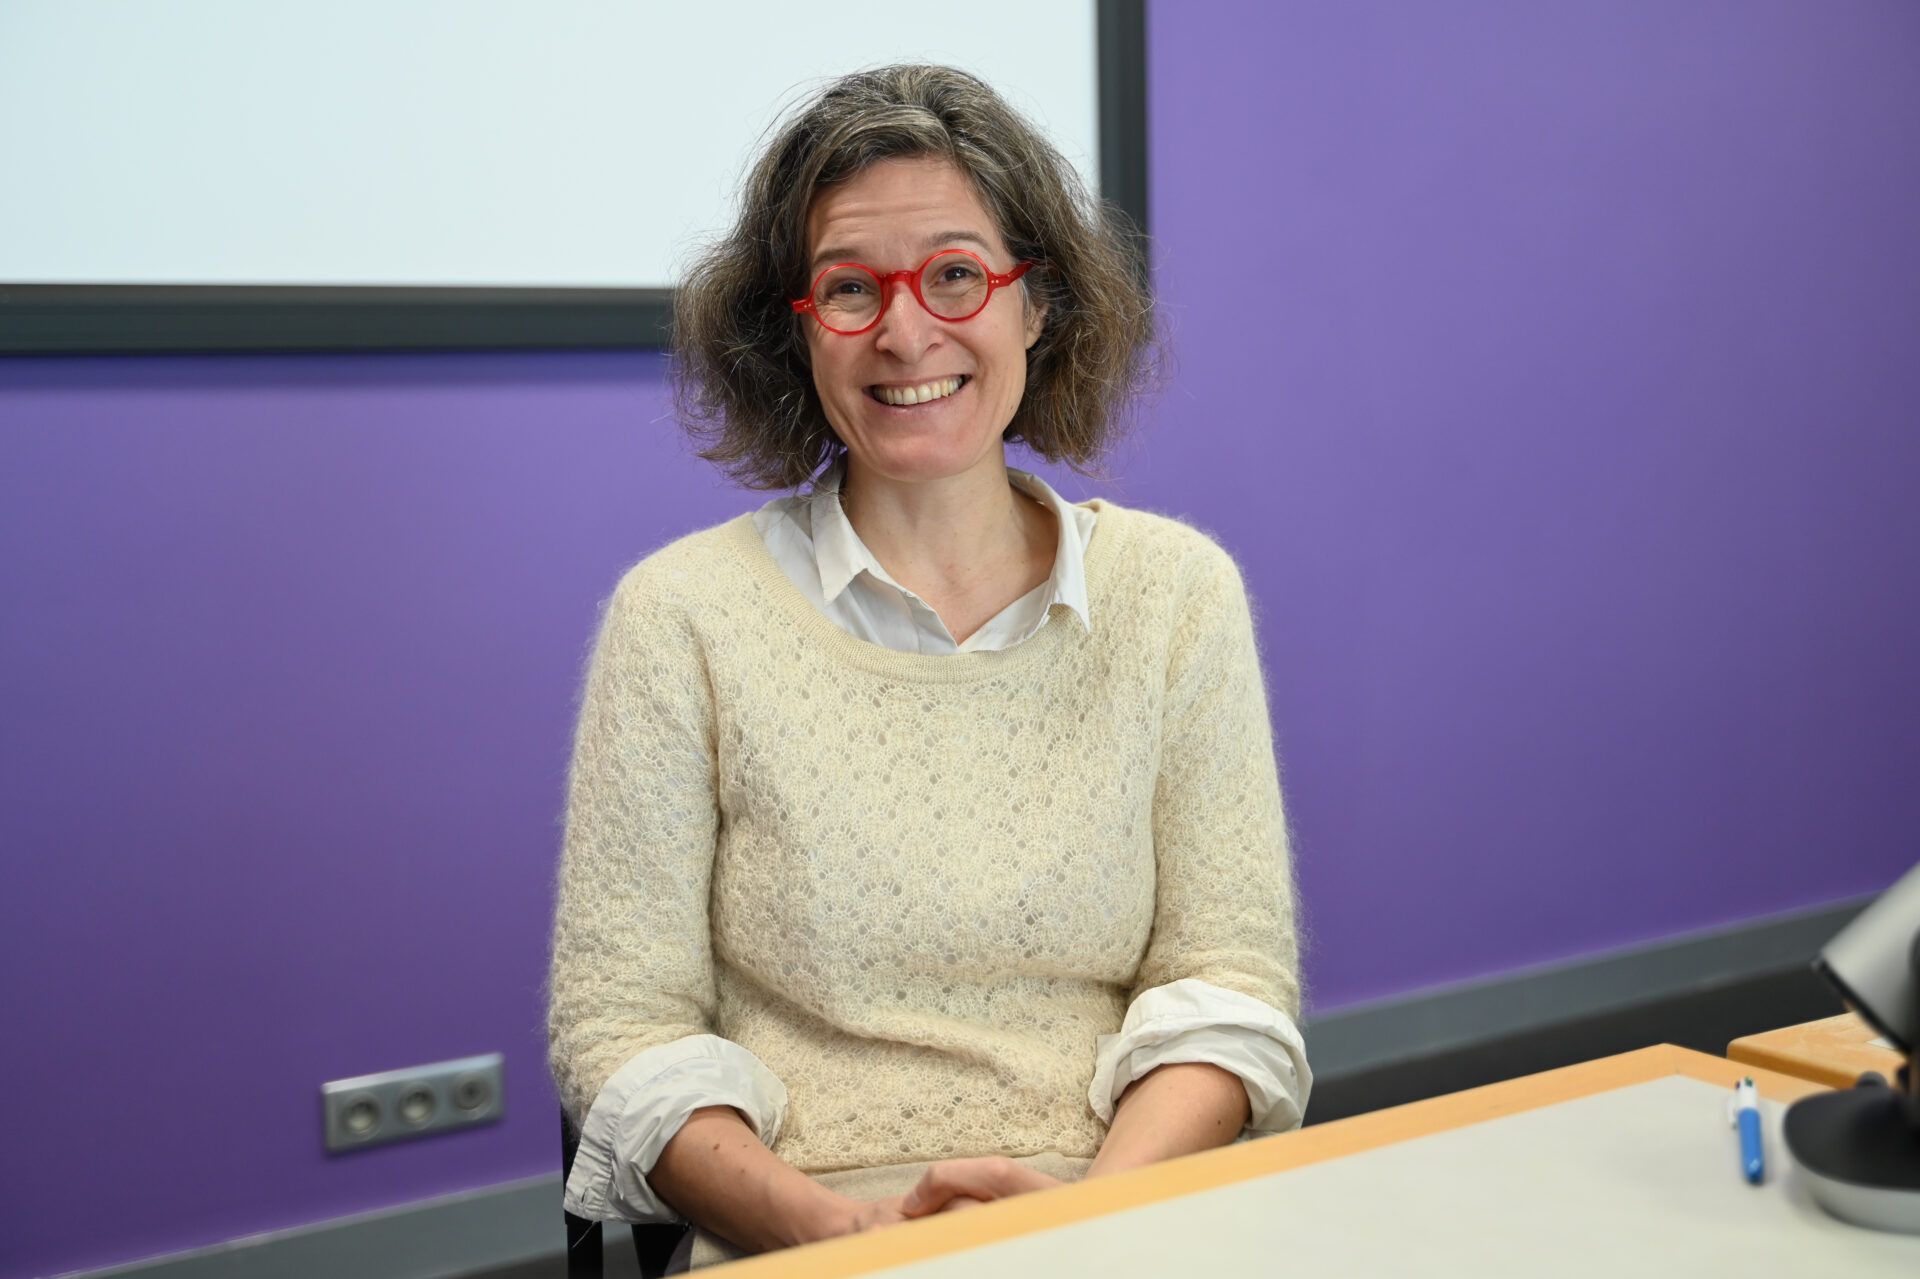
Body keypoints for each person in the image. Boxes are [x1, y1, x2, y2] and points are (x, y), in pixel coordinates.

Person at [547, 64, 1309, 1268]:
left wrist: (1082, 1221)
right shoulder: (680, 616)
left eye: (955, 273)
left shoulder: (1176, 595)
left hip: (1121, 1208)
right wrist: (840, 1232)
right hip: (805, 1227)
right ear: (796, 329)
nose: (906, 334)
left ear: (1036, 304)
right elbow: (621, 1027)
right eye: (851, 288)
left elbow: (1228, 985)